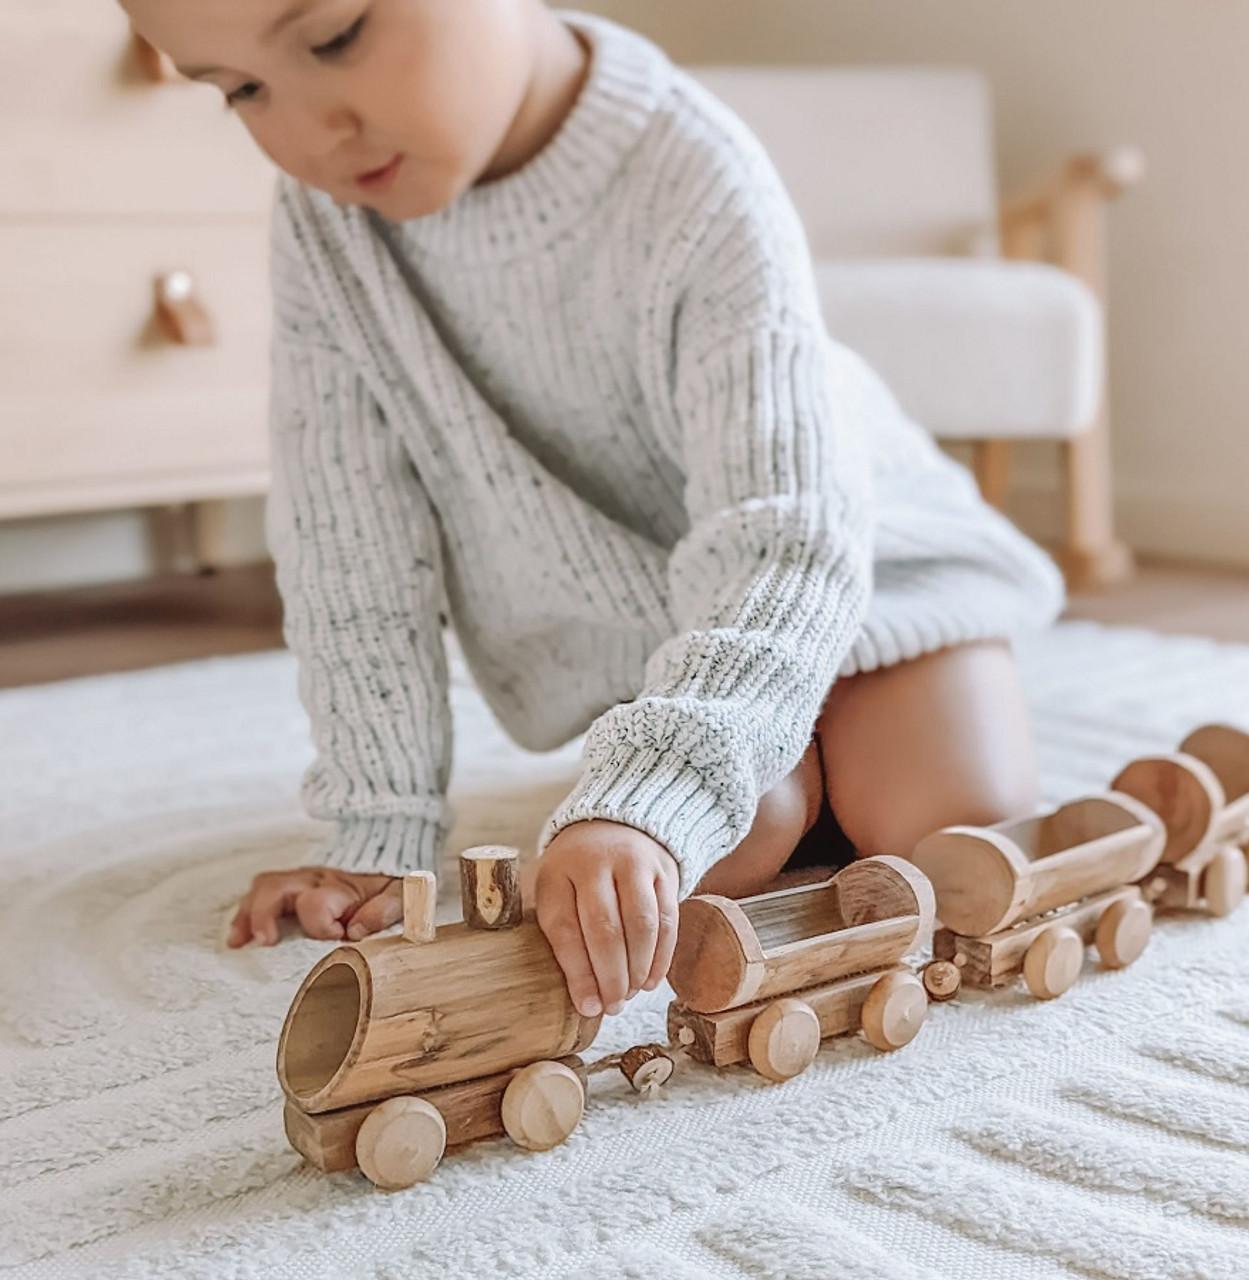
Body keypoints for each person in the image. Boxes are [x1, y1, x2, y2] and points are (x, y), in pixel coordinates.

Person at [121, 0, 1065, 1020]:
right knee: (710, 841)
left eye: (335, 37)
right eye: (243, 91)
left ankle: (812, 741)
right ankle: (777, 756)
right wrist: (377, 842)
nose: (309, 134)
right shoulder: (326, 230)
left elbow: (788, 539)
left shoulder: (694, 172)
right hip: (667, 620)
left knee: (943, 827)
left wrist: (661, 784)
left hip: (872, 568)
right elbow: (348, 553)